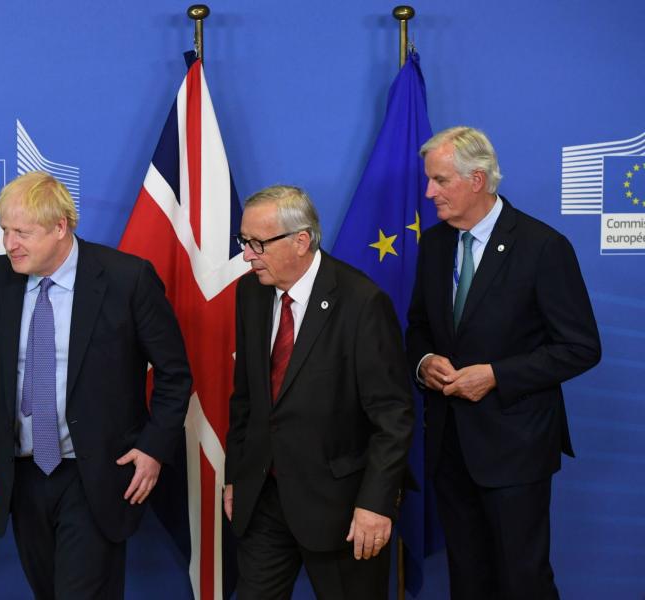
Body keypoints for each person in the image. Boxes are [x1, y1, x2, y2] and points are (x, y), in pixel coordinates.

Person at [0, 171, 191, 599]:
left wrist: (153, 448)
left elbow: (174, 374)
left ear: (60, 227)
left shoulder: (127, 279)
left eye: (22, 232)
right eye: (4, 231)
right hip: (24, 473)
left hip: (95, 474)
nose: (9, 244)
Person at [406, 126, 601, 600]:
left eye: (439, 181)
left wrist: (497, 375)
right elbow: (418, 328)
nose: (429, 192)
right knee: (467, 580)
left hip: (515, 449)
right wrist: (425, 361)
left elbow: (580, 347)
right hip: (450, 446)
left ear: (477, 180)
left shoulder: (542, 247)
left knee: (522, 580)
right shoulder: (433, 245)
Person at [223, 185, 414, 599]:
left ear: (301, 241)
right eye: (244, 241)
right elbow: (246, 398)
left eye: (257, 243)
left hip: (342, 509)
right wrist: (236, 476)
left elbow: (392, 417)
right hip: (264, 500)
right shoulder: (250, 292)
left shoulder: (361, 302)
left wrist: (376, 504)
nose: (247, 255)